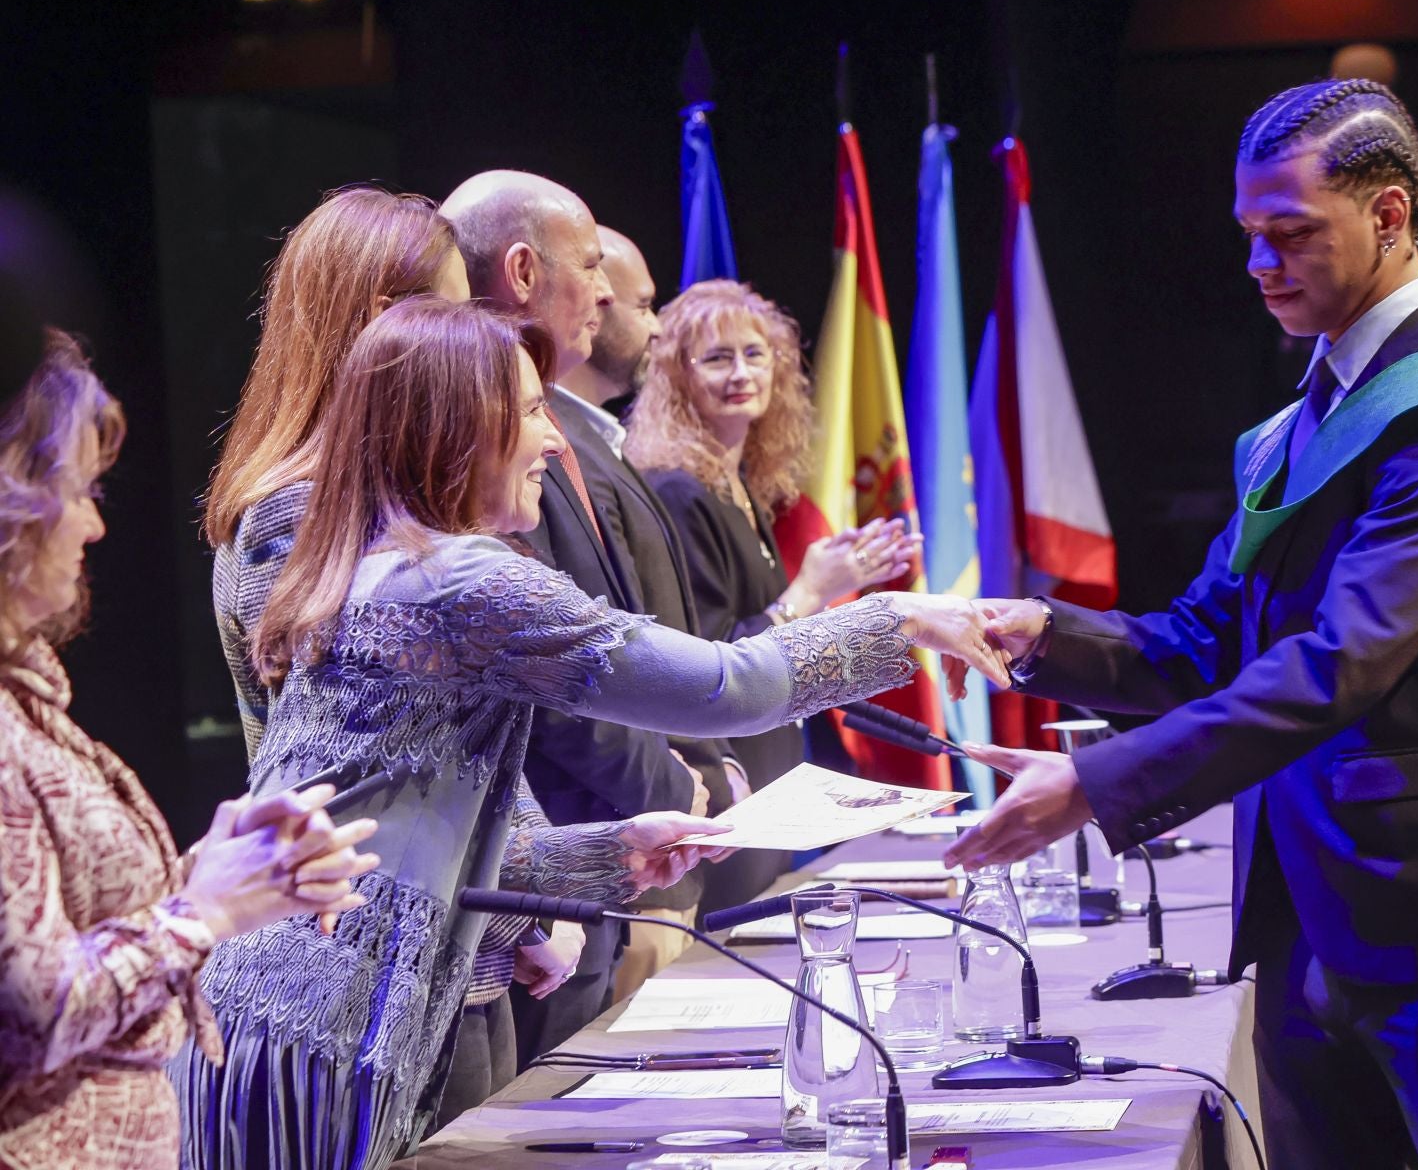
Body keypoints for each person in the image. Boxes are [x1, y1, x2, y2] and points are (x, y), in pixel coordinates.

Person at [948, 79, 1418, 1170]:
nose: (1260, 264)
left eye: (1292, 234)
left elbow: (1340, 663)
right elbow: (1206, 639)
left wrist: (1097, 782)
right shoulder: (1298, 422)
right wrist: (1033, 629)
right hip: (1314, 925)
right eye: (1250, 235)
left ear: (1390, 217)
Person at [177, 297, 1008, 1170]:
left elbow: (407, 840)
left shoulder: (384, 561)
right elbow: (725, 688)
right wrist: (898, 619)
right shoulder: (463, 583)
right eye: (531, 410)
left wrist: (610, 852)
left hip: (276, 1011)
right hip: (318, 1029)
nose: (551, 440)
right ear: (459, 427)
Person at [199, 185, 593, 1123]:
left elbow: (456, 725)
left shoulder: (358, 494)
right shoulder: (300, 508)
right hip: (369, 969)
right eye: (456, 309)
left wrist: (523, 907)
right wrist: (531, 905)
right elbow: (386, 753)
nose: (477, 335)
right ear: (389, 322)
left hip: (447, 943)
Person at [0, 331, 377, 1169]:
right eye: (79, 492)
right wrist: (205, 908)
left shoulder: (27, 699)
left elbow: (79, 930)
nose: (96, 525)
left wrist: (219, 868)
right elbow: (29, 1014)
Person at [441, 174, 741, 1058]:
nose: (608, 294)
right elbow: (561, 690)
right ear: (525, 271)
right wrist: (671, 789)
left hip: (574, 880)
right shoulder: (453, 504)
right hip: (532, 915)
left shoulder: (582, 440)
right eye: (591, 268)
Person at [629, 279, 917, 909]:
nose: (741, 373)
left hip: (769, 780)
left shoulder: (740, 485)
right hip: (729, 789)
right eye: (716, 358)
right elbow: (704, 663)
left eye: (755, 354)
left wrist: (841, 584)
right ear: (676, 376)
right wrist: (811, 589)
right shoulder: (680, 493)